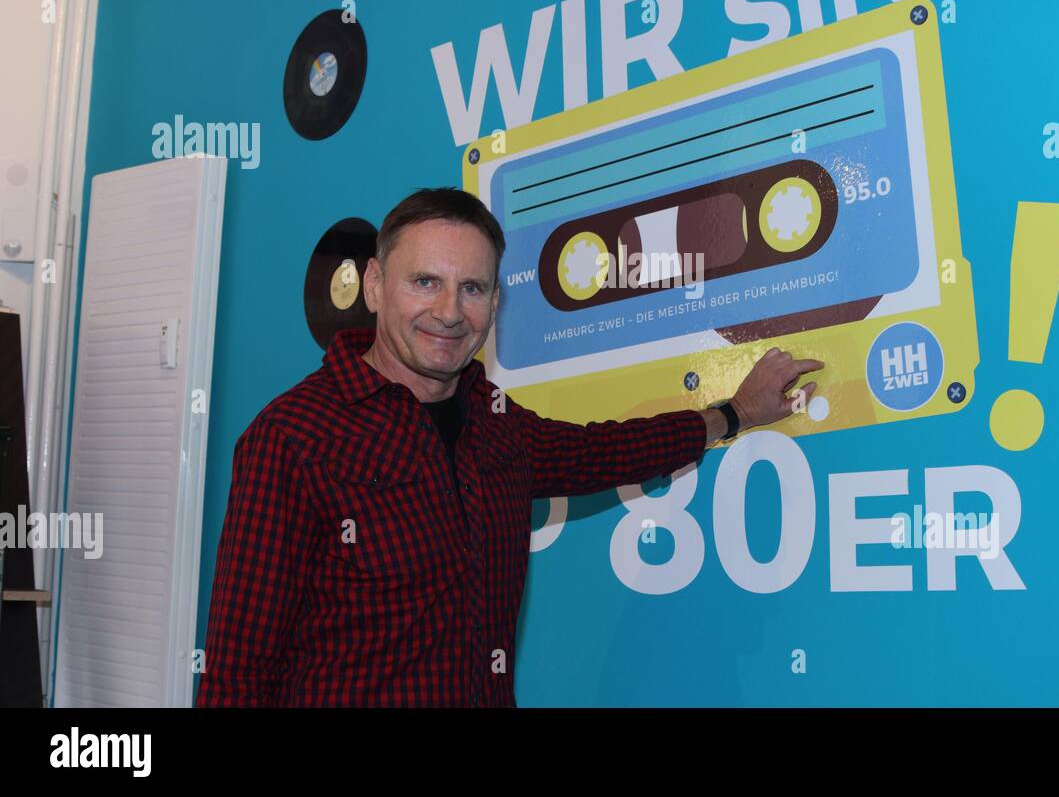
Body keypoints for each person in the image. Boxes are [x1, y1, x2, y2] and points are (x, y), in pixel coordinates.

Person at [197, 187, 821, 706]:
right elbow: (237, 672)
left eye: (472, 288)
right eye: (424, 282)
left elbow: (605, 452)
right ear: (375, 286)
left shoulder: (495, 422)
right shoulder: (293, 438)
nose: (449, 311)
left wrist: (734, 413)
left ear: (495, 303)